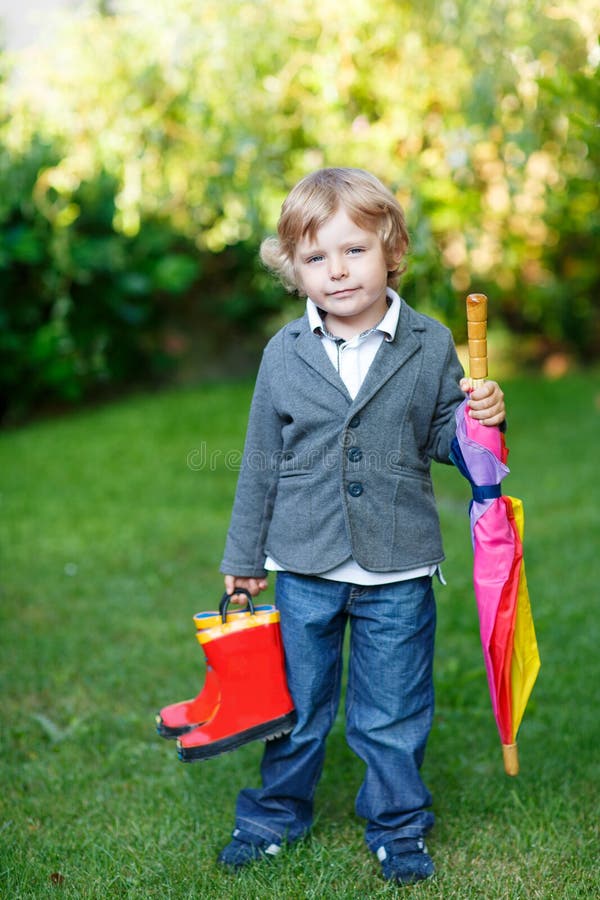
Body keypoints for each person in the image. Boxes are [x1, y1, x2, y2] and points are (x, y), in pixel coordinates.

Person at [217, 167, 505, 885]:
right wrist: (244, 556)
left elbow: (446, 437)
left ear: (392, 249)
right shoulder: (283, 354)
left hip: (398, 566)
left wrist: (480, 420)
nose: (337, 270)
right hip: (305, 565)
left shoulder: (431, 343)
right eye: (316, 257)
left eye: (354, 251)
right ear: (294, 270)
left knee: (392, 713)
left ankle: (398, 826)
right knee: (296, 709)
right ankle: (274, 816)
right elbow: (258, 463)